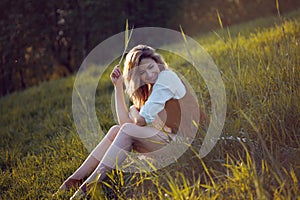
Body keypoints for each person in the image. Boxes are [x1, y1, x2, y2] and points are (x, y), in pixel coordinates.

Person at [55, 45, 209, 199]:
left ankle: (87, 187)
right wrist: (118, 87)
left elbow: (139, 121)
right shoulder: (150, 91)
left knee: (127, 129)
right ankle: (72, 181)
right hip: (173, 142)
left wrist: (134, 110)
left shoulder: (167, 78)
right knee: (116, 130)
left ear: (158, 63)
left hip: (192, 144)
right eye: (142, 72)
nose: (149, 74)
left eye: (151, 67)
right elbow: (124, 126)